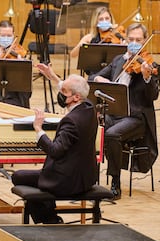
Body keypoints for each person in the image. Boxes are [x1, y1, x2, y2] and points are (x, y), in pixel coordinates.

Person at [11, 73, 98, 224]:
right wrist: (53, 76)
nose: (60, 94)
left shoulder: (71, 121)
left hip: (67, 180)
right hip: (86, 177)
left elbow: (55, 151)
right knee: (37, 175)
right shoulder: (90, 109)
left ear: (76, 97)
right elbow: (75, 89)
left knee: (18, 176)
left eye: (64, 92)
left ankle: (50, 220)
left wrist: (38, 128)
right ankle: (49, 211)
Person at [88, 23, 159, 200]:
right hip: (114, 114)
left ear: (144, 42)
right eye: (131, 39)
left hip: (136, 118)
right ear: (126, 39)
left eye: (138, 40)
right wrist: (100, 79)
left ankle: (115, 182)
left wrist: (146, 77)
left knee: (111, 135)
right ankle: (89, 177)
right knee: (90, 127)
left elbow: (153, 96)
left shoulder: (149, 64)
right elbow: (93, 77)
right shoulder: (119, 60)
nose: (134, 43)